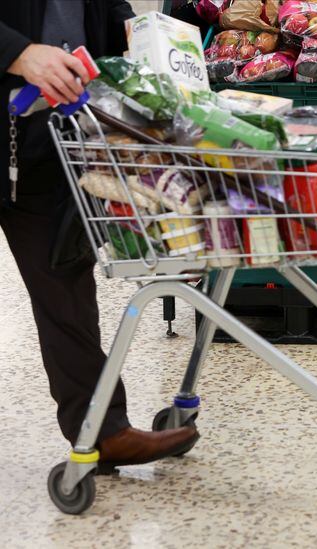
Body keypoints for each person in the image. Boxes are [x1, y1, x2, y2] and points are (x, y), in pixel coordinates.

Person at [0, 1, 198, 469]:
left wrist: (156, 54)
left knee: (65, 288)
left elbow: (109, 18)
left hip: (45, 139)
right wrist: (18, 52)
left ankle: (102, 431)